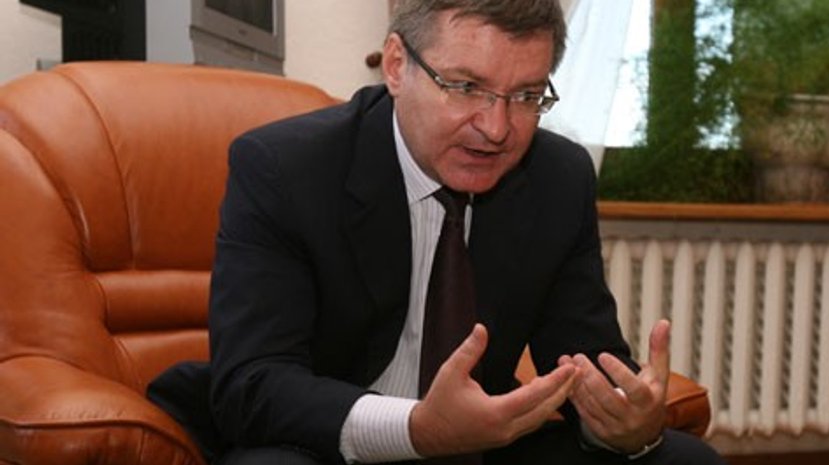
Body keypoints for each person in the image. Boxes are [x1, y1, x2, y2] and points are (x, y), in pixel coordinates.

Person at [155, 1, 727, 464]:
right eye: (466, 86)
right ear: (396, 66)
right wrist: (417, 429)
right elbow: (254, 384)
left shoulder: (558, 177)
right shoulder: (286, 169)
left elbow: (583, 364)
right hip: (324, 443)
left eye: (527, 96)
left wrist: (626, 424)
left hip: (480, 446)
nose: (497, 128)